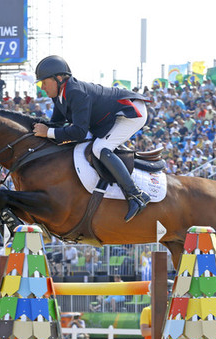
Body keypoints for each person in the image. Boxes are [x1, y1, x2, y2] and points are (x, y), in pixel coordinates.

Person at [33, 55, 151, 221]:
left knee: (100, 148)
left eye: (44, 82)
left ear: (59, 78)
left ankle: (136, 195)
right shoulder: (59, 94)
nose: (42, 87)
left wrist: (48, 132)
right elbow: (57, 124)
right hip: (110, 115)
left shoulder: (76, 93)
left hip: (130, 112)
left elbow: (79, 132)